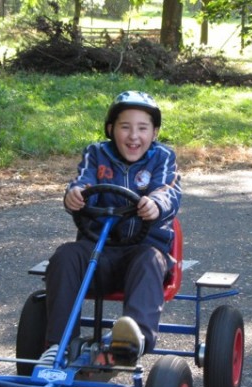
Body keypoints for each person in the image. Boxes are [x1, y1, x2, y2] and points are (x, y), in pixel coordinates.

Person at [39, 91, 181, 366]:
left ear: (154, 132)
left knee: (150, 259)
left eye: (142, 128)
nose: (133, 136)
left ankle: (133, 340)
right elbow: (83, 181)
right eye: (125, 127)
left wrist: (156, 204)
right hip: (98, 252)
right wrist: (75, 195)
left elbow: (168, 191)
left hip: (142, 254)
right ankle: (59, 346)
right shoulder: (96, 153)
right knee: (66, 255)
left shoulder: (163, 157)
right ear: (110, 129)